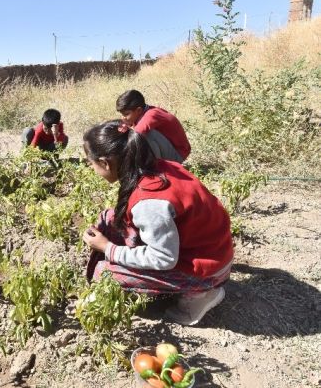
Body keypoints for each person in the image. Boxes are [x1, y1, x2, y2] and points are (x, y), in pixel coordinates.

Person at [81, 120, 233, 326]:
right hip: (211, 250)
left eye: (92, 164)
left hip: (206, 270)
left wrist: (108, 249)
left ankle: (199, 296)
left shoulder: (149, 201)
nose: (92, 169)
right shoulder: (157, 166)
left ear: (106, 163)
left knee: (105, 273)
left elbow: (164, 258)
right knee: (108, 219)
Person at [116, 89, 190, 163]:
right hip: (170, 149)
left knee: (146, 134)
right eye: (122, 115)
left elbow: (136, 135)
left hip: (178, 154)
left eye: (126, 114)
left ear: (138, 110)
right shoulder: (143, 112)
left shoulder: (151, 115)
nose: (123, 117)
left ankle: (158, 169)